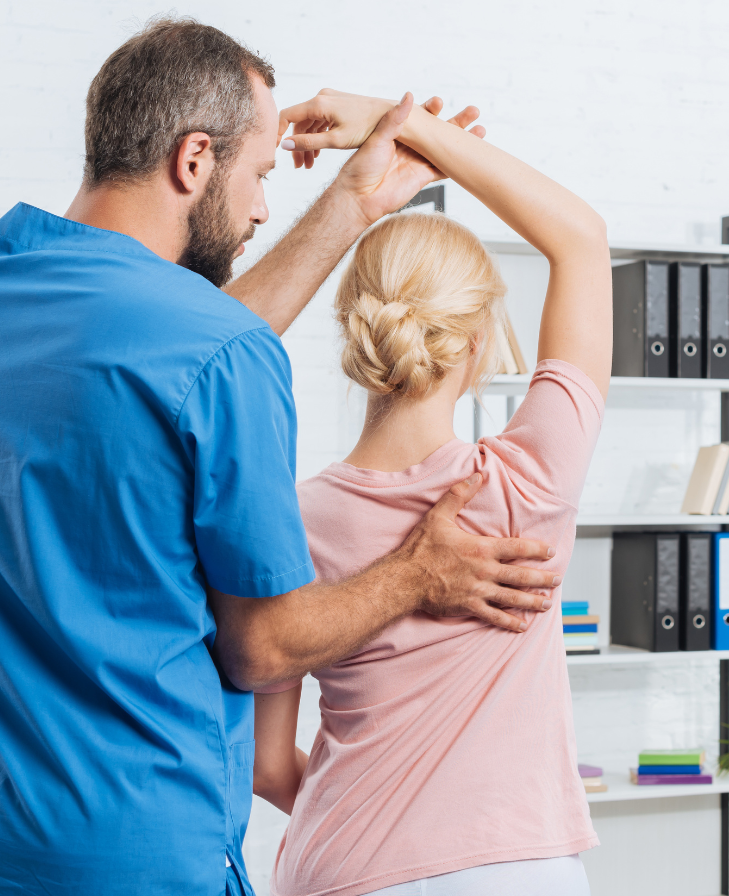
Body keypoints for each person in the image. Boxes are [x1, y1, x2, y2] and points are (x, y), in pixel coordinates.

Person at [0, 19, 563, 896]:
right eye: (258, 176)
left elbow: (170, 354)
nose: (261, 208)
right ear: (193, 160)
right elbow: (263, 649)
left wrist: (351, 206)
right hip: (138, 856)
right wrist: (419, 571)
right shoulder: (219, 354)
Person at [245, 92, 613, 896]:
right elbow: (580, 240)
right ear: (477, 345)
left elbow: (267, 766)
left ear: (352, 327)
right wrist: (401, 121)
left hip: (341, 865)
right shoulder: (528, 483)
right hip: (520, 870)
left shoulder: (287, 518)